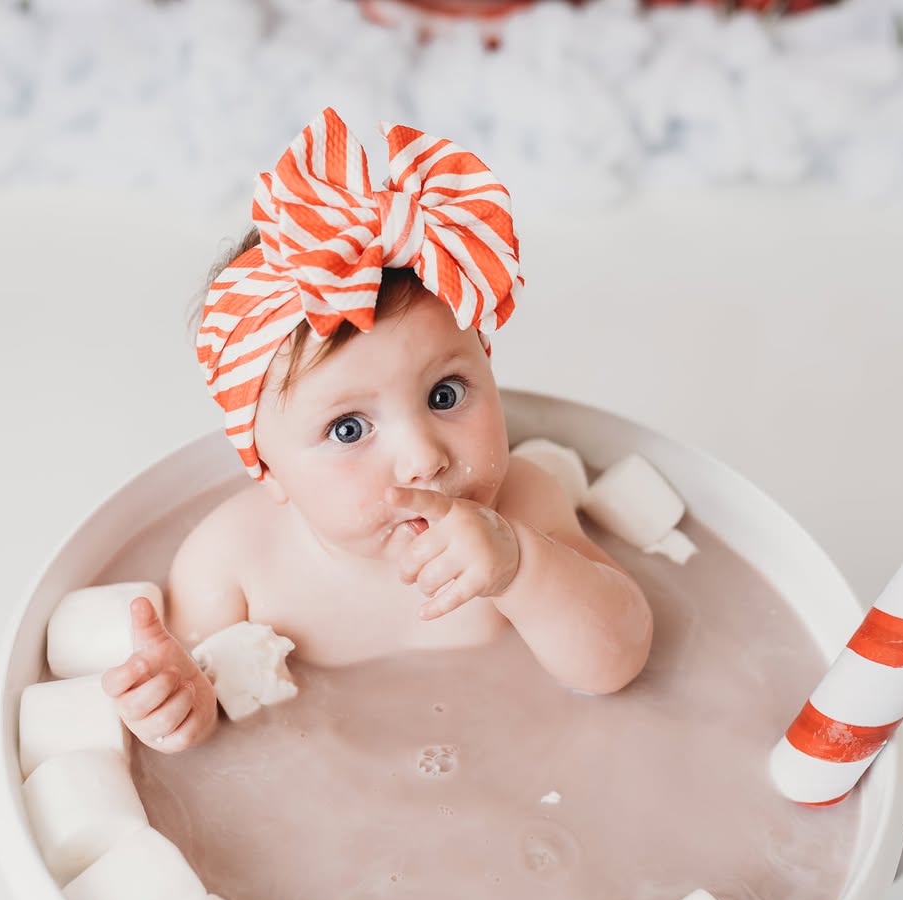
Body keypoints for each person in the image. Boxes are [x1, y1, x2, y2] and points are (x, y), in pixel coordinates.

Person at [102, 108, 653, 753]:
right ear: (269, 469)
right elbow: (208, 691)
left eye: (446, 395)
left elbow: (617, 663)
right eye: (347, 429)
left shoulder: (525, 510)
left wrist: (524, 570)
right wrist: (184, 707)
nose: (423, 458)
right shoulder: (233, 565)